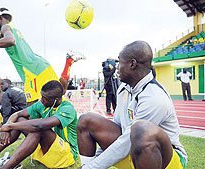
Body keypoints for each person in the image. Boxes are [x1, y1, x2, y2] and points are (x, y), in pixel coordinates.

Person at [77, 41, 187, 169]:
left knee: (141, 129)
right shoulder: (124, 88)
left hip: (165, 161)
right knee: (87, 120)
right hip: (133, 153)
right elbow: (117, 128)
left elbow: (127, 142)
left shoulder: (154, 97)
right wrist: (90, 164)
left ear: (132, 64)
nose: (116, 67)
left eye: (119, 62)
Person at [0, 80, 78, 169]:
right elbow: (17, 115)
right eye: (41, 96)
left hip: (65, 155)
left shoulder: (67, 108)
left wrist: (9, 126)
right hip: (48, 150)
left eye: (45, 98)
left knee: (38, 128)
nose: (41, 100)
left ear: (56, 100)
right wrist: (6, 126)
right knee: (20, 120)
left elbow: (40, 126)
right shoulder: (43, 103)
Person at [0, 8, 82, 105]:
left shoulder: (5, 27)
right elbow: (11, 44)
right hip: (40, 64)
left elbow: (10, 41)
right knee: (60, 91)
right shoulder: (12, 28)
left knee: (31, 109)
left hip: (31, 72)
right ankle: (68, 61)